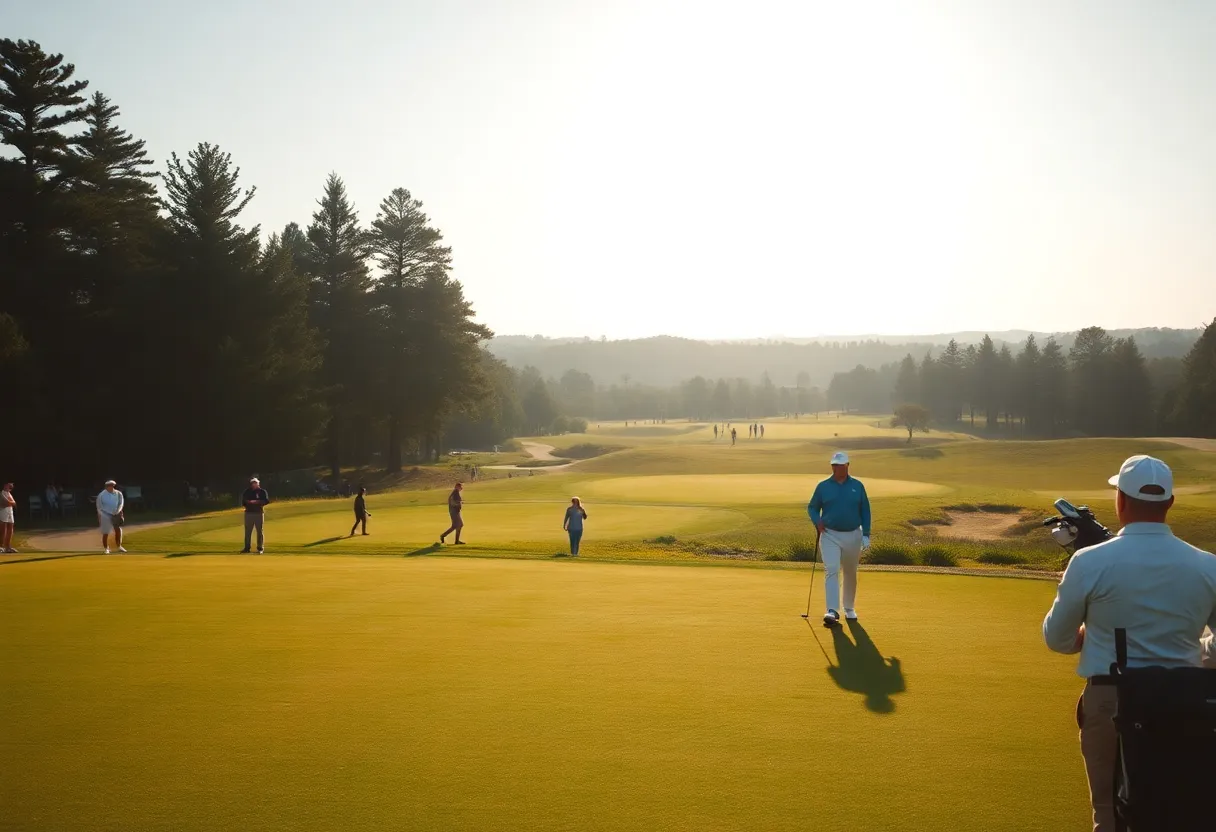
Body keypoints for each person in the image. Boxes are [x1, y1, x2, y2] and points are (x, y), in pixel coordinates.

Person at [1042, 455, 1216, 832]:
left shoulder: (1088, 562)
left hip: (1111, 701)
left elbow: (1057, 638)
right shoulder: (1209, 566)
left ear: (1120, 500)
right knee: (1180, 810)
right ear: (1169, 502)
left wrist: (1087, 635)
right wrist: (1195, 648)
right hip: (1187, 700)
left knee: (1110, 815)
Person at [807, 451, 872, 628]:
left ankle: (849, 607)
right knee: (832, 569)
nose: (836, 468)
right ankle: (832, 610)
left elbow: (865, 510)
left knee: (850, 572)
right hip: (829, 534)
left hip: (853, 534)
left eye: (840, 465)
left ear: (847, 466)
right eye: (834, 465)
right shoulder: (823, 486)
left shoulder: (857, 486)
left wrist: (866, 534)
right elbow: (812, 508)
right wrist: (817, 521)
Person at [241, 477, 270, 553]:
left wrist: (258, 502)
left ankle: (260, 548)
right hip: (249, 513)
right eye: (253, 483)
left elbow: (266, 501)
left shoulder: (262, 491)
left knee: (259, 531)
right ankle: (247, 548)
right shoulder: (247, 491)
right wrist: (250, 502)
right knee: (248, 531)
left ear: (258, 484)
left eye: (255, 483)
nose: (254, 485)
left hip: (258, 513)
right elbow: (244, 501)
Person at [96, 479, 125, 554]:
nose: (109, 487)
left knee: (117, 530)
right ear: (106, 487)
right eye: (108, 486)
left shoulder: (119, 493)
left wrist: (118, 511)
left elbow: (121, 504)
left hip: (116, 514)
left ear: (113, 486)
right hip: (105, 514)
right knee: (106, 532)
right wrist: (100, 517)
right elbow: (99, 507)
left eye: (111, 486)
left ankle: (119, 546)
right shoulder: (101, 495)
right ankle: (106, 548)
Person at [1, 482, 16, 554]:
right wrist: (10, 502)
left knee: (10, 528)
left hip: (10, 512)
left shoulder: (9, 494)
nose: (10, 486)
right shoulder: (2, 493)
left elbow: (14, 503)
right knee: (3, 529)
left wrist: (10, 502)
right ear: (5, 485)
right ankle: (1, 546)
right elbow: (6, 503)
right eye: (9, 484)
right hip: (3, 512)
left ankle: (8, 546)